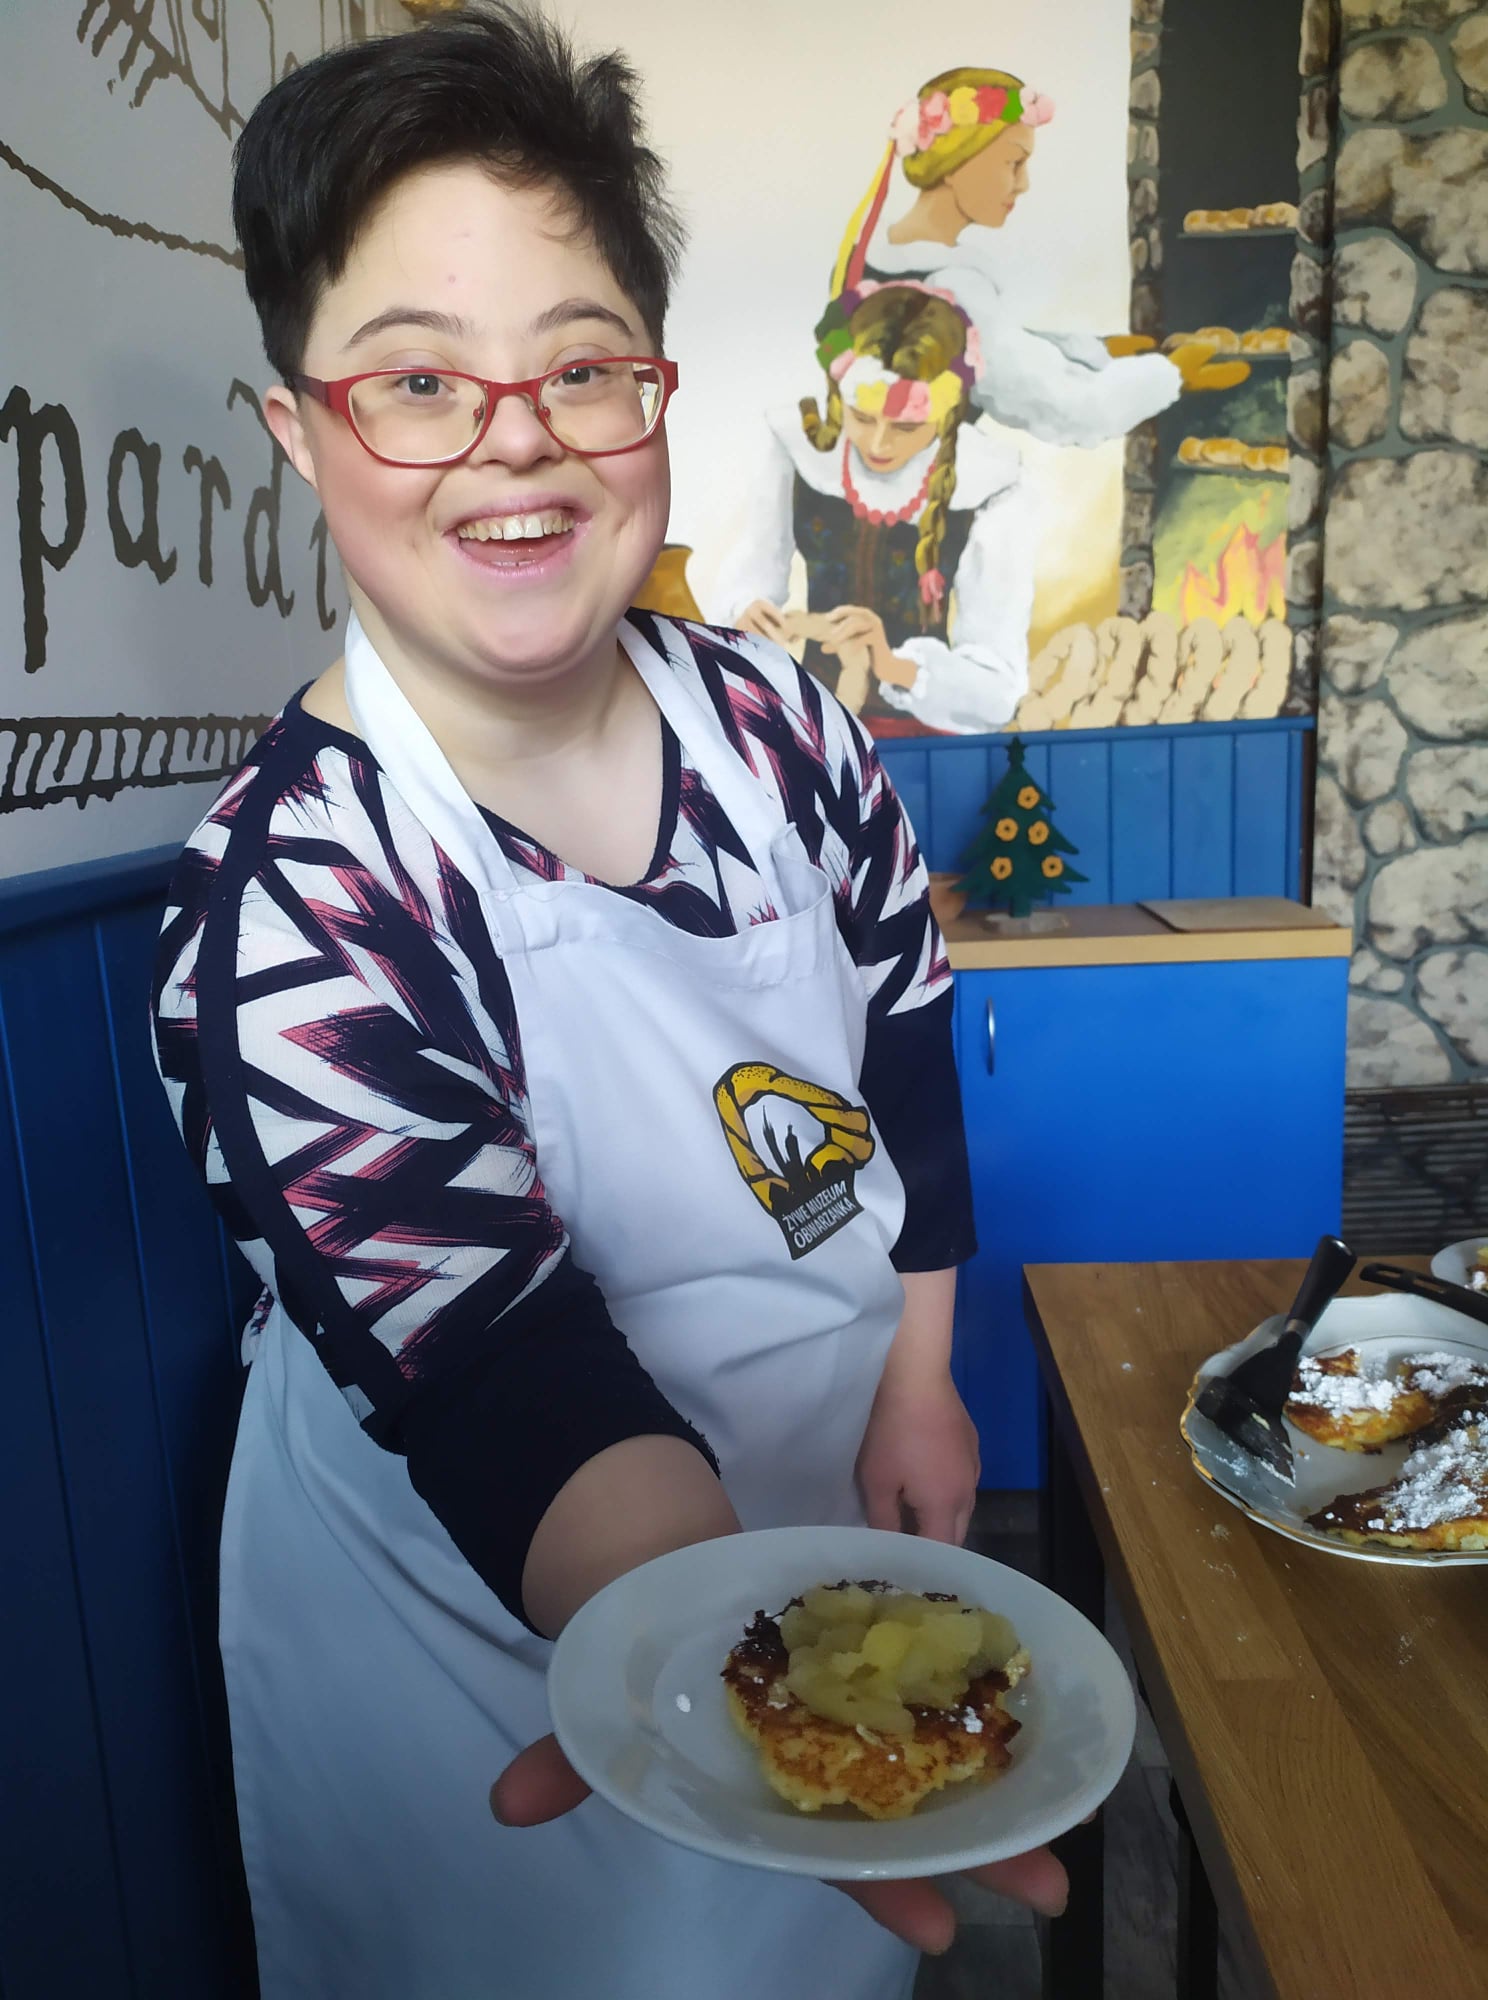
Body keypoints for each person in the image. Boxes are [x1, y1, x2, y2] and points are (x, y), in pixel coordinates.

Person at [150, 10, 1068, 1997]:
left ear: (653, 386)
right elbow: (505, 1370)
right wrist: (769, 1683)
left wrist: (918, 1375)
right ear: (299, 430)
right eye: (417, 380)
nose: (516, 441)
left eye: (578, 366)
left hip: (807, 1545)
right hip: (494, 1662)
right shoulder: (294, 910)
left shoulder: (779, 722)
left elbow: (901, 1048)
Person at [845, 67, 1248, 449]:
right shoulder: (952, 287)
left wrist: (1097, 352)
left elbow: (995, 347)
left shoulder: (877, 258)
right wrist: (1169, 375)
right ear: (955, 163)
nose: (1023, 184)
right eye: (1014, 163)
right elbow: (1066, 408)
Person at [714, 280, 1032, 735]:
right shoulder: (797, 449)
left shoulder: (989, 484)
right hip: (812, 728)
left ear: (946, 414)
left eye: (906, 427)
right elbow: (750, 576)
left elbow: (998, 690)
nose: (879, 444)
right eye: (862, 418)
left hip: (923, 738)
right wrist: (745, 615)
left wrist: (890, 663)